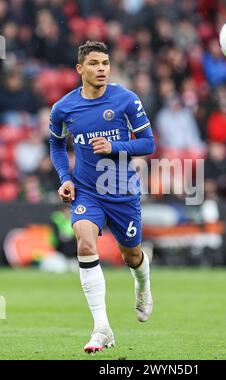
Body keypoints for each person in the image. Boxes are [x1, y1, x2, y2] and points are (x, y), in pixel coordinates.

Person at [49, 41, 155, 353]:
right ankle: (102, 328)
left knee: (131, 256)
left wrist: (114, 148)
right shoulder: (63, 108)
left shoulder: (125, 99)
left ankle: (142, 284)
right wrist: (65, 179)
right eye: (94, 64)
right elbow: (56, 145)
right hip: (87, 191)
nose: (102, 69)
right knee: (83, 240)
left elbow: (149, 143)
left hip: (122, 192)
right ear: (80, 69)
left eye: (106, 63)